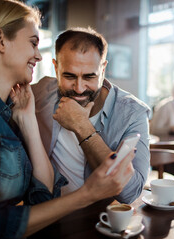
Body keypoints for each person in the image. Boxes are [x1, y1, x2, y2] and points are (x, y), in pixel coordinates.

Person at [0, 1, 135, 239]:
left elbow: (42, 197)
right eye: (33, 43)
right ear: (0, 40)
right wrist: (87, 194)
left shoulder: (8, 110)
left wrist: (29, 124)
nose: (38, 56)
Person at [31, 27, 151, 204]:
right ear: (56, 67)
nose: (79, 88)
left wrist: (82, 126)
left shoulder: (133, 114)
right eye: (69, 76)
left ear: (103, 68)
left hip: (99, 219)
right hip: (48, 212)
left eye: (89, 77)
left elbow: (129, 192)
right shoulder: (43, 91)